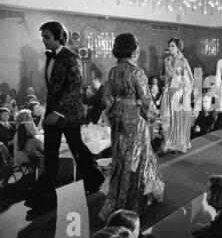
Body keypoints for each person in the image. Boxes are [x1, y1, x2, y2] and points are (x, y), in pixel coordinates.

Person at [24, 21, 105, 219]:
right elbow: (54, 89)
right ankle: (44, 199)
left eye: (47, 37)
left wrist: (57, 112)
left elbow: (74, 89)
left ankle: (94, 178)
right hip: (53, 113)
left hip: (68, 114)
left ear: (59, 37)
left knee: (77, 149)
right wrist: (47, 109)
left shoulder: (73, 58)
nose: (43, 40)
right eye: (42, 37)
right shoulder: (50, 57)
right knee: (50, 155)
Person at [99, 33, 164, 222]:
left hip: (119, 117)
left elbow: (107, 98)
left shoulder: (113, 71)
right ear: (134, 50)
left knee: (120, 158)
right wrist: (156, 116)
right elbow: (147, 101)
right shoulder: (137, 72)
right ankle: (134, 202)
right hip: (135, 118)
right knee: (136, 158)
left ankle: (117, 199)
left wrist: (114, 114)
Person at [160, 37, 194, 154]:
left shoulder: (184, 61)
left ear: (178, 47)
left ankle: (181, 143)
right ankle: (168, 143)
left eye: (173, 46)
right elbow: (164, 76)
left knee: (179, 119)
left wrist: (185, 91)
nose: (170, 48)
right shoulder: (167, 60)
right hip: (169, 92)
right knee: (167, 117)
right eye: (169, 46)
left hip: (180, 93)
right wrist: (165, 85)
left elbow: (190, 78)